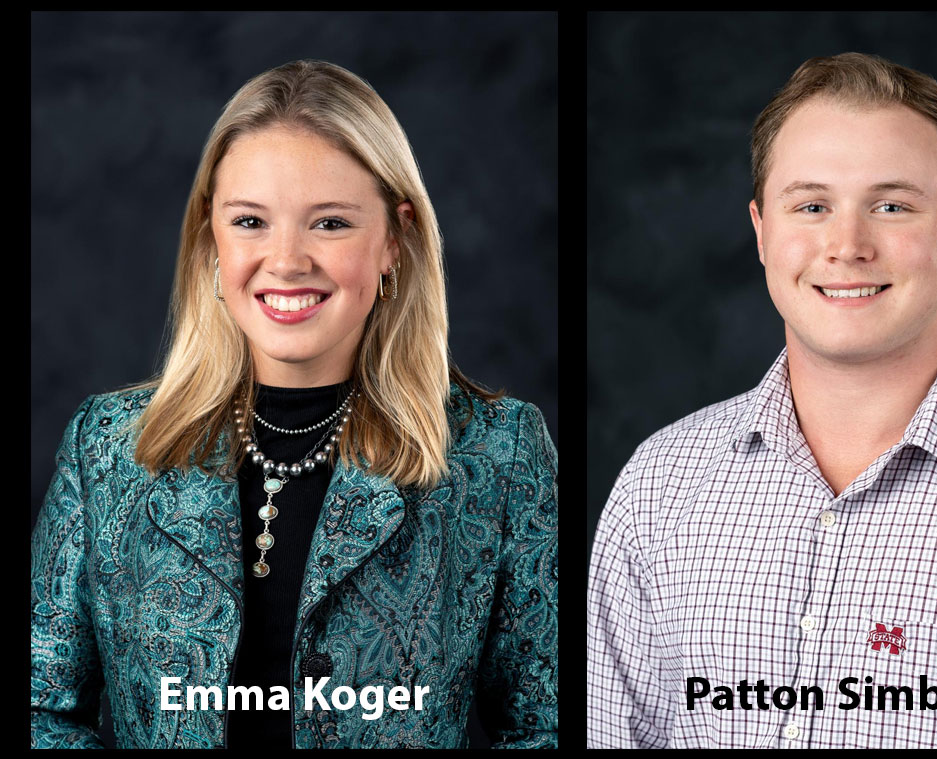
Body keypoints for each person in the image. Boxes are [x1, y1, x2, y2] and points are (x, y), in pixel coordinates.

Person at [587, 53, 937, 749]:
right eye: (810, 206)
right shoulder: (659, 482)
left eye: (891, 205)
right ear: (761, 231)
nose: (846, 245)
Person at [31, 59, 557, 749]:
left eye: (330, 222)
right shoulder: (106, 447)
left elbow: (548, 724)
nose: (285, 259)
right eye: (250, 220)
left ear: (393, 239)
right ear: (210, 241)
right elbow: (42, 709)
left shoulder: (499, 452)